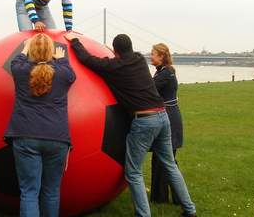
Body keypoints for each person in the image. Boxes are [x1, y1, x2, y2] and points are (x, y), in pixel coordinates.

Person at [64, 33, 196, 217]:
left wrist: (75, 41)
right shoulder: (140, 60)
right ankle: (190, 210)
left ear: (115, 51)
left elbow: (88, 59)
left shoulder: (114, 66)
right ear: (131, 48)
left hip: (144, 121)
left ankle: (143, 214)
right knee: (170, 165)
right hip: (162, 116)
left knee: (133, 172)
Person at [4, 33, 76, 217]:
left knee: (29, 192)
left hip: (25, 136)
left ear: (31, 51)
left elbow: (17, 61)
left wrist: (26, 47)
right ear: (51, 52)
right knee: (51, 191)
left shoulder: (20, 71)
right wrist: (60, 60)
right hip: (57, 138)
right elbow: (70, 74)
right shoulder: (63, 73)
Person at [149, 43, 184, 205]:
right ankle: (161, 197)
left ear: (162, 56)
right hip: (169, 116)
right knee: (162, 159)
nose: (151, 56)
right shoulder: (164, 72)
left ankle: (167, 198)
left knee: (166, 160)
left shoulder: (165, 74)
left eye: (153, 54)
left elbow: (148, 90)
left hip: (169, 118)